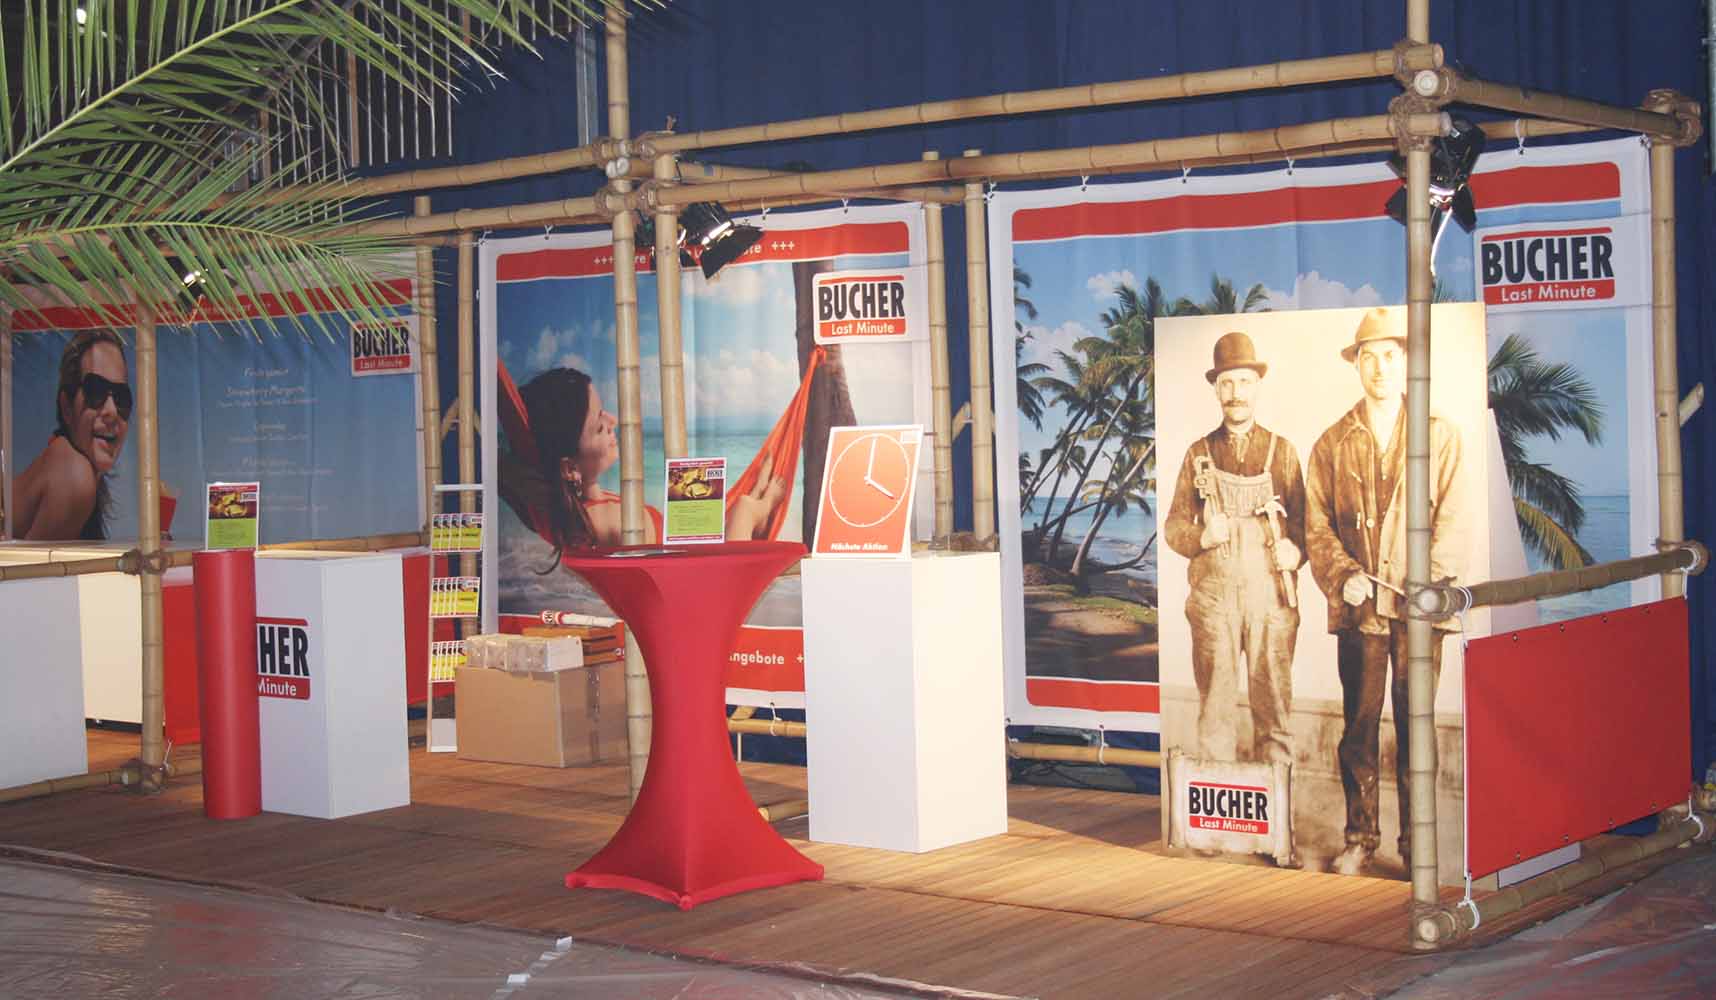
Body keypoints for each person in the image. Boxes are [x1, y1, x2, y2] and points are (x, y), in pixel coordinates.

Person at [1303, 307, 1465, 876]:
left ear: (1406, 361)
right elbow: (1316, 525)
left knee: (1416, 727)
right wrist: (1341, 573)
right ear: (1356, 365)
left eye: (1390, 356)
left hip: (1419, 610)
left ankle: (1418, 846)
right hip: (1361, 611)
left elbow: (1454, 519)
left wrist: (1430, 585)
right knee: (1359, 728)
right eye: (1368, 357)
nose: (1379, 367)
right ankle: (1360, 838)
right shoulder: (1331, 442)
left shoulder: (1439, 435)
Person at [1163, 331, 1305, 767]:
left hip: (1270, 602)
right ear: (1216, 389)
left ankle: (1277, 810)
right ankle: (1218, 808)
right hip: (1214, 603)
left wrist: (1296, 551)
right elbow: (1173, 528)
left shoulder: (1283, 453)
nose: (1235, 392)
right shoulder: (1198, 454)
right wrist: (1202, 538)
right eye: (1226, 383)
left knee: (1275, 713)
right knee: (1215, 714)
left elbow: (1307, 526)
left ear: (1257, 385)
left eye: (1243, 381)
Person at [503, 366, 787, 563]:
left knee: (720, 506)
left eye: (604, 412)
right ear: (569, 468)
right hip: (714, 580)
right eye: (599, 426)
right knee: (743, 508)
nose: (613, 421)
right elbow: (676, 562)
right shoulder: (605, 521)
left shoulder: (576, 512)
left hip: (695, 556)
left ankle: (754, 497)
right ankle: (760, 506)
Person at [12, 330, 132, 540]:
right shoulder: (75, 475)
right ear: (66, 406)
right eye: (96, 391)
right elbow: (34, 564)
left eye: (121, 397)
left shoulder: (69, 464)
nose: (112, 411)